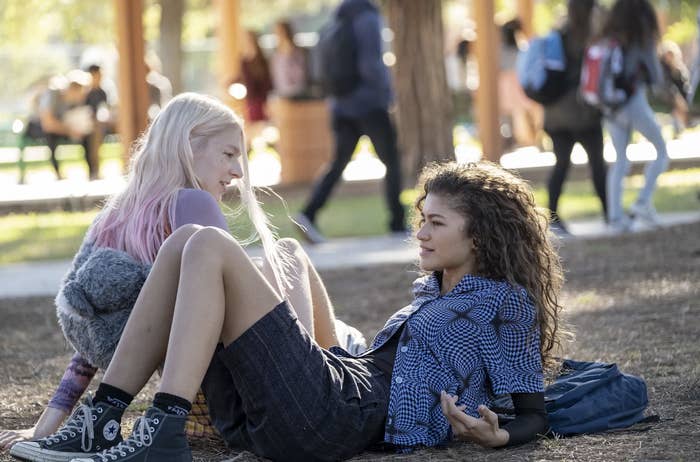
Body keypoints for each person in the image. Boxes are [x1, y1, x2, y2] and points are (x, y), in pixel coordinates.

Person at [12, 161, 564, 461]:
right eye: (422, 218)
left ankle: (162, 427)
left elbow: (533, 412)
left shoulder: (506, 306)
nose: (419, 232)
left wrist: (498, 436)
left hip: (335, 417)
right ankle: (107, 418)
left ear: (483, 234)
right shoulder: (430, 295)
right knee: (187, 242)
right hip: (304, 407)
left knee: (207, 243)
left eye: (436, 223)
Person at [2, 92, 351, 456]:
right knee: (287, 254)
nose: (238, 171)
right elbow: (241, 313)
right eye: (229, 154)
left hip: (198, 410)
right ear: (187, 146)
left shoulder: (114, 218)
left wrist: (46, 427)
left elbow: (96, 331)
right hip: (242, 392)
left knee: (281, 263)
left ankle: (334, 361)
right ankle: (323, 376)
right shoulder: (193, 204)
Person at [295, 0, 406, 244]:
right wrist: (386, 95)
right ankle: (397, 223)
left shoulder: (335, 20)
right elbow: (372, 63)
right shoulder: (367, 17)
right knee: (392, 161)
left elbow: (319, 68)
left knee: (338, 162)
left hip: (340, 105)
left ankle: (308, 212)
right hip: (369, 104)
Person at [601, 0, 668, 231]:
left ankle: (615, 219)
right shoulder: (642, 36)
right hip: (633, 102)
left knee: (619, 160)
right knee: (661, 150)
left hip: (610, 107)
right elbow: (656, 77)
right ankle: (642, 201)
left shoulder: (608, 35)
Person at [542, 0, 607, 235]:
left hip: (556, 113)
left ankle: (553, 215)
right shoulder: (591, 38)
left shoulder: (557, 35)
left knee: (560, 165)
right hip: (583, 113)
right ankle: (610, 212)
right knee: (598, 165)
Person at [36, 70, 92, 180]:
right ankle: (57, 173)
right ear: (73, 88)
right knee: (50, 135)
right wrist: (70, 131)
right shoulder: (52, 94)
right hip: (38, 126)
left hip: (59, 127)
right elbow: (48, 123)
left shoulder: (72, 101)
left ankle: (91, 170)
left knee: (86, 135)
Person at [270, 20, 309, 99]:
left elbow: (300, 71)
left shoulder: (296, 51)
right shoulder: (277, 53)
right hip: (281, 91)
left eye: (280, 31)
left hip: (296, 91)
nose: (278, 34)